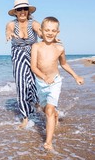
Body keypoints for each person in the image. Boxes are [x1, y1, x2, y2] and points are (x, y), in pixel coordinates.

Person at [31, 16, 84, 151]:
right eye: (47, 30)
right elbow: (33, 67)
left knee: (49, 110)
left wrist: (75, 76)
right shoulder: (36, 46)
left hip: (55, 82)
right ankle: (55, 114)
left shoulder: (59, 48)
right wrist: (43, 76)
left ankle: (48, 142)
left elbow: (64, 64)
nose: (50, 33)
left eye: (53, 30)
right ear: (41, 31)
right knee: (45, 109)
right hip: (40, 82)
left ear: (57, 32)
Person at [6, 0, 42, 128]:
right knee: (21, 85)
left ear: (28, 11)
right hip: (18, 56)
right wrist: (9, 35)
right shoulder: (11, 24)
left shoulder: (34, 23)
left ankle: (37, 104)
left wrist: (45, 35)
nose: (22, 11)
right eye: (19, 9)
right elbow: (8, 31)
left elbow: (40, 31)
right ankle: (25, 117)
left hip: (33, 54)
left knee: (33, 83)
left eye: (24, 9)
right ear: (15, 12)